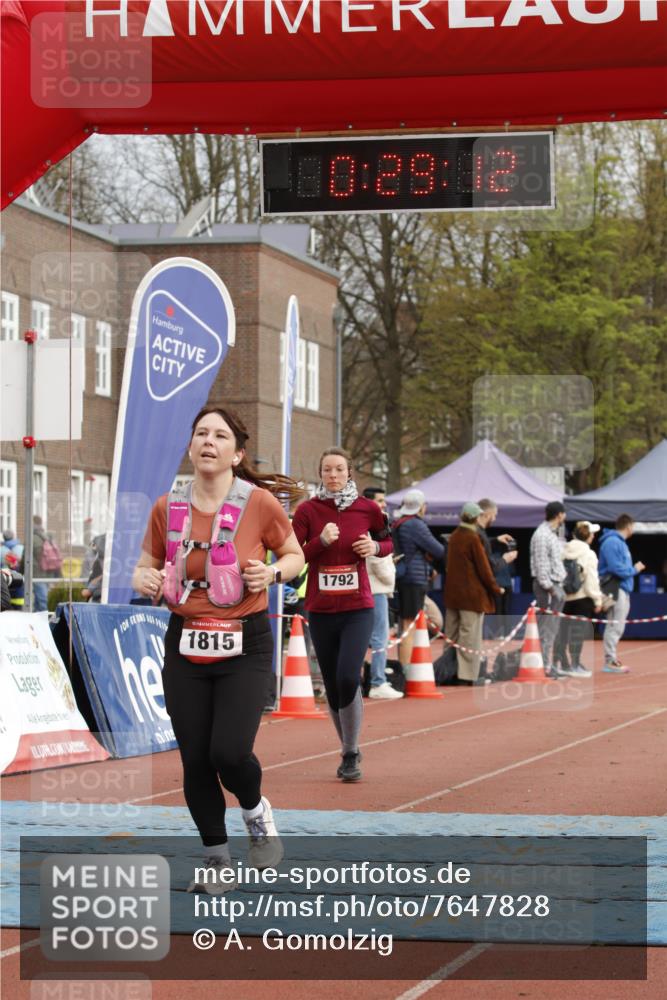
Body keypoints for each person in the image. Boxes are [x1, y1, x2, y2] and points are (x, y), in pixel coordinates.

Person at [132, 405, 305, 892]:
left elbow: (295, 555)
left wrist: (272, 573)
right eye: (201, 433)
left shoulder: (260, 504)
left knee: (229, 752)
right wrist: (144, 578)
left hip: (245, 643)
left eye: (220, 435)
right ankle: (217, 862)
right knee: (195, 760)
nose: (209, 441)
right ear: (190, 446)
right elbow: (144, 566)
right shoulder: (168, 507)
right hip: (185, 643)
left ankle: (255, 812)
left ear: (237, 453)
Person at [292, 450, 393, 782]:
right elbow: (293, 556)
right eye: (327, 470)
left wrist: (374, 548)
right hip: (321, 610)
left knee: (348, 676)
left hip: (358, 608)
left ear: (349, 472)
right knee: (332, 684)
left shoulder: (368, 509)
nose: (333, 475)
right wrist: (320, 542)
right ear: (320, 473)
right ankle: (347, 749)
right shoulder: (308, 511)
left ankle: (351, 751)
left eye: (338, 469)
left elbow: (387, 542)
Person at [444, 502, 503, 685]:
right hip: (472, 596)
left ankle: (448, 671)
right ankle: (467, 675)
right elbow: (484, 569)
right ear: (477, 517)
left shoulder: (454, 536)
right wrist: (496, 589)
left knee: (451, 635)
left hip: (453, 595)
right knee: (469, 636)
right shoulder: (473, 538)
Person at [392, 488, 445, 668]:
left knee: (406, 625)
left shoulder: (399, 523)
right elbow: (438, 550)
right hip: (413, 580)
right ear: (421, 507)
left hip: (404, 578)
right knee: (409, 625)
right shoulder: (415, 525)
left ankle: (406, 666)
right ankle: (406, 669)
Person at [362, 486, 402, 701]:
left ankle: (362, 681)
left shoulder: (365, 522)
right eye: (380, 500)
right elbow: (375, 557)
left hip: (370, 586)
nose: (384, 504)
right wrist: (390, 576)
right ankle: (378, 681)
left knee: (365, 637)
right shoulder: (371, 524)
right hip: (376, 588)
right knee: (379, 637)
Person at [553, 521, 604, 678]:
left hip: (564, 597)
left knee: (562, 632)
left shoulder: (563, 551)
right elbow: (591, 580)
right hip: (582, 598)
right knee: (577, 633)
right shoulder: (589, 554)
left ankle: (561, 664)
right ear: (588, 536)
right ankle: (575, 664)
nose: (593, 536)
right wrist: (597, 600)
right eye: (592, 533)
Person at [598, 513, 645, 674]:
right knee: (614, 625)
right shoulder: (612, 542)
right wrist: (634, 569)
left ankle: (611, 659)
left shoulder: (619, 543)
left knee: (617, 625)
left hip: (622, 589)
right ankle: (610, 661)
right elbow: (616, 568)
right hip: (615, 588)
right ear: (629, 526)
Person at [529, 500, 567, 677]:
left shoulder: (551, 533)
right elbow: (541, 564)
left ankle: (546, 664)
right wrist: (551, 588)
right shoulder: (543, 535)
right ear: (559, 515)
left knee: (551, 629)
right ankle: (544, 666)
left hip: (554, 584)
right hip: (549, 587)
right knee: (546, 628)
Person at [476, 498, 518, 630]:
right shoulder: (475, 532)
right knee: (471, 630)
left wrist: (495, 540)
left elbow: (481, 543)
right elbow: (488, 566)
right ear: (487, 514)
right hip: (476, 590)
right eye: (494, 515)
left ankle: (501, 632)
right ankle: (498, 632)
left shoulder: (478, 534)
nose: (494, 519)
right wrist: (505, 560)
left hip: (492, 586)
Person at [1, 530, 25, 609]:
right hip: (19, 585)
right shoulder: (21, 548)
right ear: (13, 536)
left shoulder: (1, 550)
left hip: (3, 587)